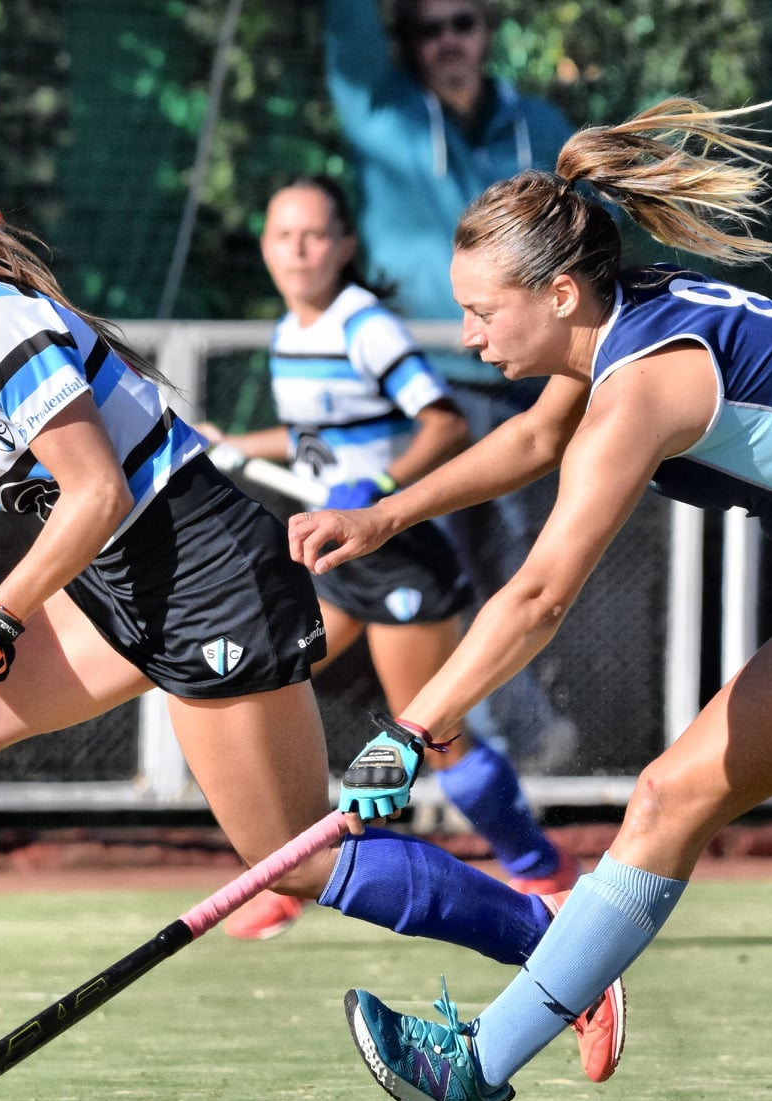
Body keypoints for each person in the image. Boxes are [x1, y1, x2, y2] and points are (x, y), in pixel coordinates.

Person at [0, 152, 621, 1086]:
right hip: (117, 585)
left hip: (202, 566)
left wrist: (3, 611)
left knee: (289, 856)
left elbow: (92, 492)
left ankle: (558, 953)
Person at [290, 98, 772, 1101]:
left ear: (555, 292)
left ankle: (467, 1072)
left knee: (670, 795)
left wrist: (412, 727)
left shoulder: (638, 384)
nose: (465, 335)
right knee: (670, 799)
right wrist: (383, 513)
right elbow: (533, 443)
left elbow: (542, 593)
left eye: (479, 312)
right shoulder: (610, 326)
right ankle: (472, 1070)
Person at [200, 175, 575, 942]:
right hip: (341, 563)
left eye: (312, 235)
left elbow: (440, 424)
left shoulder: (362, 324)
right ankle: (285, 865)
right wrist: (237, 445)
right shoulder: (289, 333)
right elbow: (318, 443)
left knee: (436, 737)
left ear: (341, 246)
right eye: (281, 235)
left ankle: (540, 870)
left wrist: (372, 490)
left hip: (396, 554)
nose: (296, 250)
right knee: (267, 688)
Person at [325, 0, 579, 771]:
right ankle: (485, 742)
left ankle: (496, 742)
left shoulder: (540, 124)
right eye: (428, 29)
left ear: (487, 31)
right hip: (422, 391)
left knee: (520, 563)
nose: (447, 42)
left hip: (534, 383)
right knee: (412, 562)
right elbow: (347, 28)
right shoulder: (381, 108)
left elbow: (588, 239)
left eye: (461, 23)